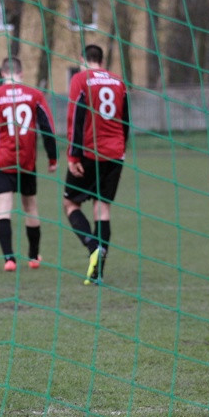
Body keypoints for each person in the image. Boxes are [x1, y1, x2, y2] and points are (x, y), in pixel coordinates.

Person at [0, 57, 57, 272]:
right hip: (27, 161)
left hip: (2, 160)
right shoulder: (34, 95)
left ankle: (9, 259)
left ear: (3, 73)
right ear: (21, 73)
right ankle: (33, 256)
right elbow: (47, 128)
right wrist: (52, 158)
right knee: (30, 206)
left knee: (4, 207)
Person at [64, 44, 129, 285]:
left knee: (70, 203)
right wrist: (123, 149)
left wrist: (73, 156)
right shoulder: (118, 81)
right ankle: (98, 271)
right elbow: (126, 120)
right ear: (101, 60)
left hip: (90, 153)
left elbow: (76, 118)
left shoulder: (81, 79)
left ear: (83, 59)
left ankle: (93, 247)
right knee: (102, 209)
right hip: (116, 153)